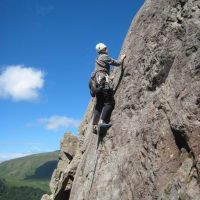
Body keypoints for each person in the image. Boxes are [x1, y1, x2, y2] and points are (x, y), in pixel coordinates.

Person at [92, 43, 126, 133]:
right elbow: (117, 63)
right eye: (106, 48)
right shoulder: (104, 56)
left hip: (97, 84)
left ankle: (94, 126)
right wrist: (122, 58)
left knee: (99, 104)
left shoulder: (97, 59)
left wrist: (109, 77)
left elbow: (101, 71)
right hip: (104, 83)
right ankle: (101, 122)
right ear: (103, 49)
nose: (107, 49)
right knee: (109, 102)